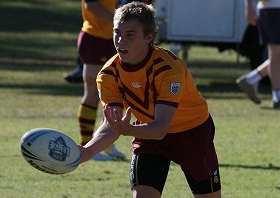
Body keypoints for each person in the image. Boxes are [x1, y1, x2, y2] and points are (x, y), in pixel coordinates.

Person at [79, 2, 221, 197]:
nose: (121, 40)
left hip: (191, 133)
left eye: (130, 34)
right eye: (117, 32)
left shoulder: (168, 69)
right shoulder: (108, 75)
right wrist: (87, 151)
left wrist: (129, 129)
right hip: (147, 135)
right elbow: (111, 124)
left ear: (149, 36)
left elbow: (161, 127)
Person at [76, 0, 126, 161]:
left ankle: (106, 144)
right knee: (92, 93)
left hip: (115, 38)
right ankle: (86, 145)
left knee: (115, 94)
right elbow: (91, 5)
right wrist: (120, 21)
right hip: (94, 39)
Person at [236, 0, 280, 109]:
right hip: (270, 11)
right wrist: (249, 8)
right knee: (276, 54)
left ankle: (250, 79)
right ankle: (278, 96)